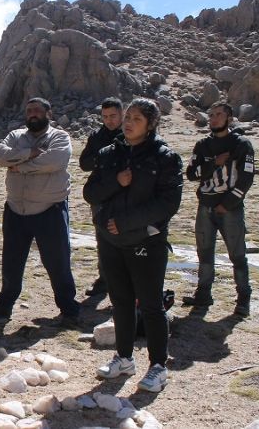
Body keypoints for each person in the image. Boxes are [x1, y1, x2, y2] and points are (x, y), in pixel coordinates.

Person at [84, 98, 183, 393]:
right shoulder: (109, 154)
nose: (128, 123)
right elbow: (91, 193)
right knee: (121, 302)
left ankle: (158, 366)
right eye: (127, 117)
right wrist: (117, 181)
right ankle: (124, 358)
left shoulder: (165, 157)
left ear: (151, 124)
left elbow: (168, 203)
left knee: (151, 305)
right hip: (111, 240)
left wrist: (126, 222)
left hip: (145, 241)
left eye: (136, 119)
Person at [0, 97, 81, 326]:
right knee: (11, 262)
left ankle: (68, 308)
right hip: (15, 209)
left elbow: (55, 161)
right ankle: (3, 308)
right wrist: (30, 153)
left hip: (49, 210)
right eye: (29, 110)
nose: (32, 114)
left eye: (37, 110)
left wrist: (19, 166)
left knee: (57, 262)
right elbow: (0, 155)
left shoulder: (59, 137)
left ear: (48, 113)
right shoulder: (15, 136)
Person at [183, 101, 255, 317]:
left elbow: (246, 179)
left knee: (237, 255)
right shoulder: (202, 145)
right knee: (204, 254)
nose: (213, 118)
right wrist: (214, 163)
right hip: (205, 206)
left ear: (229, 119)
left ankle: (243, 298)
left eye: (218, 115)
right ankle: (203, 294)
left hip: (230, 209)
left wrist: (228, 204)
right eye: (211, 114)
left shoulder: (242, 144)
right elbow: (191, 174)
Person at [79, 97, 124, 296]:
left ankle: (125, 280)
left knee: (126, 236)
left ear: (122, 114)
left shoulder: (130, 134)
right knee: (102, 238)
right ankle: (104, 279)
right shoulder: (97, 136)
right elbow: (84, 163)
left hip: (125, 194)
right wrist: (104, 159)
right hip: (101, 194)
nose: (109, 120)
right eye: (105, 116)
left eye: (113, 116)